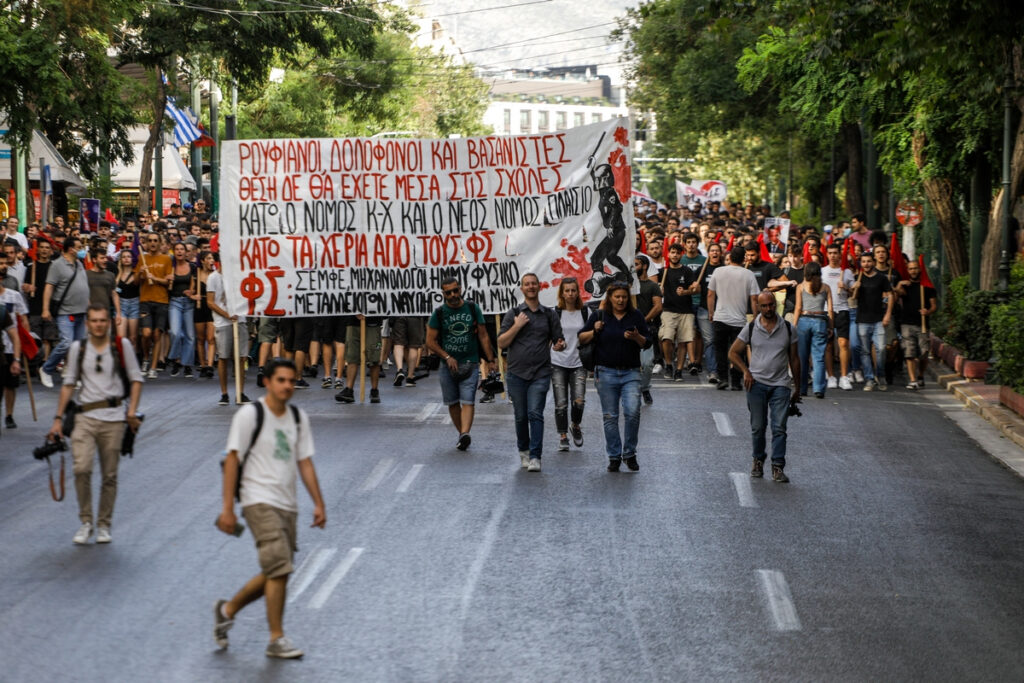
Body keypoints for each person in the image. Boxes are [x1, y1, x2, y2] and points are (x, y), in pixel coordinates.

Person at [214, 358, 325, 659]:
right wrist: (227, 509)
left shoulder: (298, 418)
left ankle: (228, 609)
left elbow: (304, 461)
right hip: (257, 500)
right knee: (279, 565)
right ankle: (277, 638)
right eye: (281, 380)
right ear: (267, 382)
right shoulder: (250, 415)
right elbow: (233, 460)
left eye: (292, 380)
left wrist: (318, 503)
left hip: (287, 504)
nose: (288, 385)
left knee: (277, 571)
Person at [49, 304, 144, 544]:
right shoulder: (77, 349)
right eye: (94, 320)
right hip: (84, 418)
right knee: (81, 469)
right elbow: (68, 384)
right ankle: (86, 521)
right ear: (88, 323)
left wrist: (131, 411)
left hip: (113, 419)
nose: (99, 324)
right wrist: (58, 420)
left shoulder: (121, 346)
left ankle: (103, 524)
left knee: (109, 474)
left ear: (109, 323)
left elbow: (136, 379)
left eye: (103, 320)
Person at [578, 281, 651, 472]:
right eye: (617, 296)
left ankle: (629, 453)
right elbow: (581, 338)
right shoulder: (600, 315)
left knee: (633, 412)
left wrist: (636, 337)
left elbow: (647, 343)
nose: (621, 300)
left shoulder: (636, 316)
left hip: (631, 372)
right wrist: (595, 330)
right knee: (610, 416)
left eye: (624, 297)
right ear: (610, 298)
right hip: (606, 372)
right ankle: (614, 456)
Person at [729, 292, 801, 483]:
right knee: (758, 427)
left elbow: (794, 359)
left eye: (771, 305)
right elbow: (733, 353)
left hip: (781, 384)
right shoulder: (751, 328)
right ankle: (758, 460)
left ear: (775, 305)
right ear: (758, 307)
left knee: (779, 427)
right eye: (764, 306)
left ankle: (778, 466)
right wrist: (746, 371)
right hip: (756, 384)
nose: (768, 309)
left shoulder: (787, 328)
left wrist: (798, 387)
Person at [498, 273, 565, 472]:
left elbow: (558, 340)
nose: (530, 287)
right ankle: (524, 451)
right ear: (522, 288)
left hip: (540, 373)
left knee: (535, 413)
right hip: (517, 373)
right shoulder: (514, 314)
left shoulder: (548, 314)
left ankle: (536, 456)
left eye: (533, 283)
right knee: (521, 416)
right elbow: (501, 342)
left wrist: (560, 345)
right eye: (527, 284)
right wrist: (517, 326)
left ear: (539, 286)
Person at [425, 277, 498, 450]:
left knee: (468, 401)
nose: (453, 295)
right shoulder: (439, 313)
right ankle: (462, 434)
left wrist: (491, 360)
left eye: (455, 290)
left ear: (460, 289)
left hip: (470, 363)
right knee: (452, 402)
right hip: (447, 366)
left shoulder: (473, 308)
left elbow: (483, 335)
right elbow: (430, 341)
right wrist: (447, 356)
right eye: (448, 292)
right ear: (443, 294)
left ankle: (465, 433)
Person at [707, 247, 761, 391]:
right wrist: (756, 317)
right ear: (744, 259)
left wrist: (711, 312)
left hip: (720, 317)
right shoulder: (749, 274)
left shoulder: (718, 271)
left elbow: (710, 294)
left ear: (729, 258)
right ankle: (736, 381)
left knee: (720, 350)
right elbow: (754, 298)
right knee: (738, 351)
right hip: (739, 321)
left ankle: (723, 378)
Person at [39, 236, 90, 388]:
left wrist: (90, 307)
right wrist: (45, 309)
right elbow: (49, 287)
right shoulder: (57, 265)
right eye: (79, 247)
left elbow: (83, 286)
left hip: (82, 311)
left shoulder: (79, 264)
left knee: (78, 346)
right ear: (70, 249)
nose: (81, 250)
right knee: (66, 343)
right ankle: (46, 369)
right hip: (65, 312)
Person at [549, 277, 589, 451]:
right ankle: (563, 435)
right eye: (567, 291)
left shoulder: (585, 312)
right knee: (561, 402)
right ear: (562, 293)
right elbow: (548, 336)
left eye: (573, 290)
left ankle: (576, 425)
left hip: (579, 361)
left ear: (578, 292)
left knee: (579, 401)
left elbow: (589, 334)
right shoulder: (554, 313)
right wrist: (554, 344)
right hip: (558, 362)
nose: (570, 294)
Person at [206, 262, 251, 406]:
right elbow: (210, 302)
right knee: (224, 358)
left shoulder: (239, 276)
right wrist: (227, 315)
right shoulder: (213, 277)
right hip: (223, 322)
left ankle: (240, 392)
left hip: (240, 320)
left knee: (242, 358)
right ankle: (224, 393)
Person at [850, 252, 893, 391]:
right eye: (863, 262)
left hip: (878, 319)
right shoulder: (858, 278)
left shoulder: (881, 278)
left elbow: (890, 295)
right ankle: (869, 379)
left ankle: (880, 376)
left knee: (881, 349)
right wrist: (853, 287)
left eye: (869, 261)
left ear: (873, 262)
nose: (866, 264)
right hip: (862, 320)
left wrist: (887, 314)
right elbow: (852, 297)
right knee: (865, 351)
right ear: (860, 264)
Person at [792, 261, 834, 398]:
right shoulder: (826, 288)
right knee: (818, 357)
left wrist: (794, 325)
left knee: (802, 357)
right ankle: (819, 389)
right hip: (820, 321)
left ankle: (802, 388)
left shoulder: (801, 287)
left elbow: (798, 308)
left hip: (804, 321)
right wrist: (831, 326)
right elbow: (830, 310)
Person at [659, 242, 699, 380]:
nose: (675, 255)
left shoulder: (687, 271)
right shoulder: (663, 272)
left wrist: (686, 291)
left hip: (686, 311)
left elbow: (696, 289)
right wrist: (659, 290)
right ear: (668, 254)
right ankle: (669, 364)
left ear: (681, 254)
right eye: (672, 252)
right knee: (666, 338)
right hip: (668, 310)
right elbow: (655, 289)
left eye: (677, 253)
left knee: (683, 341)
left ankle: (679, 370)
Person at [136, 231, 173, 379]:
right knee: (146, 334)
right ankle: (146, 358)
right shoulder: (141, 258)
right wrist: (140, 273)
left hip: (161, 301)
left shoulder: (166, 259)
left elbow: (168, 281)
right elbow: (135, 282)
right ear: (146, 243)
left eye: (155, 240)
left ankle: (153, 366)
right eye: (149, 240)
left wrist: (155, 278)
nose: (152, 243)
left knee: (157, 334)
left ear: (159, 243)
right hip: (145, 300)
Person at [895, 260, 937, 390]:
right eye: (910, 269)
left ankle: (920, 375)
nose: (913, 271)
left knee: (924, 353)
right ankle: (912, 380)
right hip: (907, 323)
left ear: (920, 270)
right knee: (909, 352)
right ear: (907, 271)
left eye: (915, 268)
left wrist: (928, 311)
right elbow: (896, 294)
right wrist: (899, 283)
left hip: (922, 324)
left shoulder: (928, 287)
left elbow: (934, 306)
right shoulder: (905, 286)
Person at [821, 243, 856, 390]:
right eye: (831, 253)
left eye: (836, 253)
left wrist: (846, 288)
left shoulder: (846, 272)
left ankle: (843, 376)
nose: (833, 255)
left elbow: (853, 294)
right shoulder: (822, 271)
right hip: (826, 311)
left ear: (839, 254)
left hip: (842, 310)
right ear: (827, 254)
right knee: (828, 345)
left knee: (843, 344)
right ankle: (831, 376)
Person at [634, 255, 663, 404]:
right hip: (629, 330)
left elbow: (658, 306)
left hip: (646, 329)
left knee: (646, 364)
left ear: (645, 266)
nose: (634, 267)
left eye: (637, 264)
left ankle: (644, 388)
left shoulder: (652, 286)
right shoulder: (629, 285)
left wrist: (643, 321)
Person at [167, 242, 197, 378]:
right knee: (175, 332)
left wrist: (192, 291)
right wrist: (166, 279)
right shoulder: (170, 266)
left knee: (190, 335)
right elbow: (163, 282)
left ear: (186, 252)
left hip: (189, 302)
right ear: (174, 252)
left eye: (182, 249)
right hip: (175, 301)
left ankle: (187, 365)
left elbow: (195, 285)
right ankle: (175, 359)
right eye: (177, 249)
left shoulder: (192, 266)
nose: (179, 252)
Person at [0, 280, 25, 431]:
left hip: (8, 348)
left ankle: (9, 415)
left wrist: (19, 355)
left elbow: (22, 321)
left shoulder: (14, 296)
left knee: (10, 385)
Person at [194, 251, 216, 378]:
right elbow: (191, 291)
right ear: (202, 261)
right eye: (208, 258)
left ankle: (210, 365)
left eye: (212, 258)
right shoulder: (196, 275)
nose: (211, 261)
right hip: (199, 306)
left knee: (211, 338)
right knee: (201, 339)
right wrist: (191, 295)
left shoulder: (216, 275)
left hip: (212, 306)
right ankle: (202, 365)